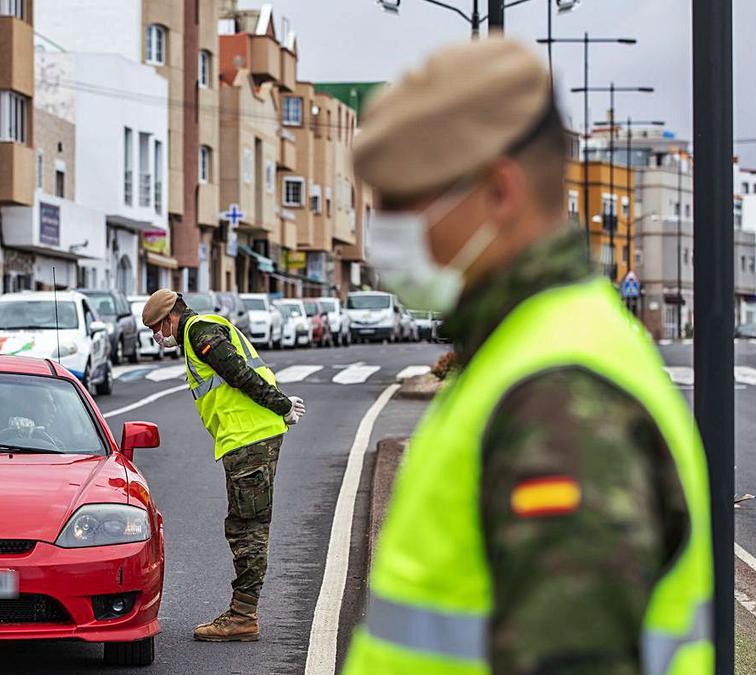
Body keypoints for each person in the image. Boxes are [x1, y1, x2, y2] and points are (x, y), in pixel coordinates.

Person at [342, 39, 713, 674]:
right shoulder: (532, 348)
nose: (381, 231)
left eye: (402, 203)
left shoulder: (557, 395)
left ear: (497, 192)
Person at [141, 289, 306, 642]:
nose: (158, 337)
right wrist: (280, 405)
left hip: (250, 438)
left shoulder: (199, 333)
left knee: (248, 530)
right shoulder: (197, 333)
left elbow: (240, 374)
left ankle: (243, 616)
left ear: (170, 318)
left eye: (157, 328)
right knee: (245, 525)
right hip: (247, 438)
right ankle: (242, 613)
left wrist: (281, 406)